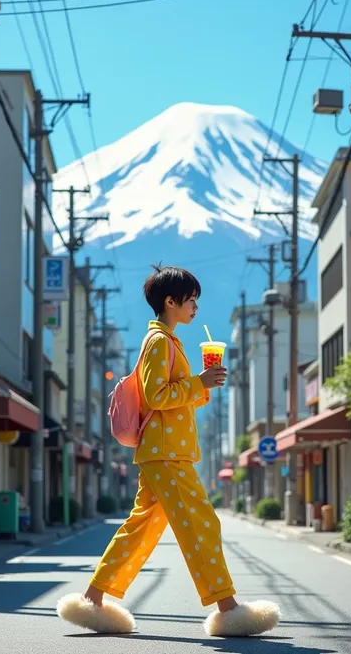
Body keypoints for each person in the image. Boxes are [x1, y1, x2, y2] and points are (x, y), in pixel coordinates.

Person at [57, 265, 280, 637]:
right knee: (201, 523)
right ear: (170, 302)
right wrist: (199, 383)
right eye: (190, 300)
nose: (195, 307)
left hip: (162, 450)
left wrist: (201, 386)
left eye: (196, 301)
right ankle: (228, 608)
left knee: (140, 528)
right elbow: (156, 396)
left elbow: (170, 397)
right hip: (165, 452)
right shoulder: (160, 341)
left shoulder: (167, 340)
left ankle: (92, 600)